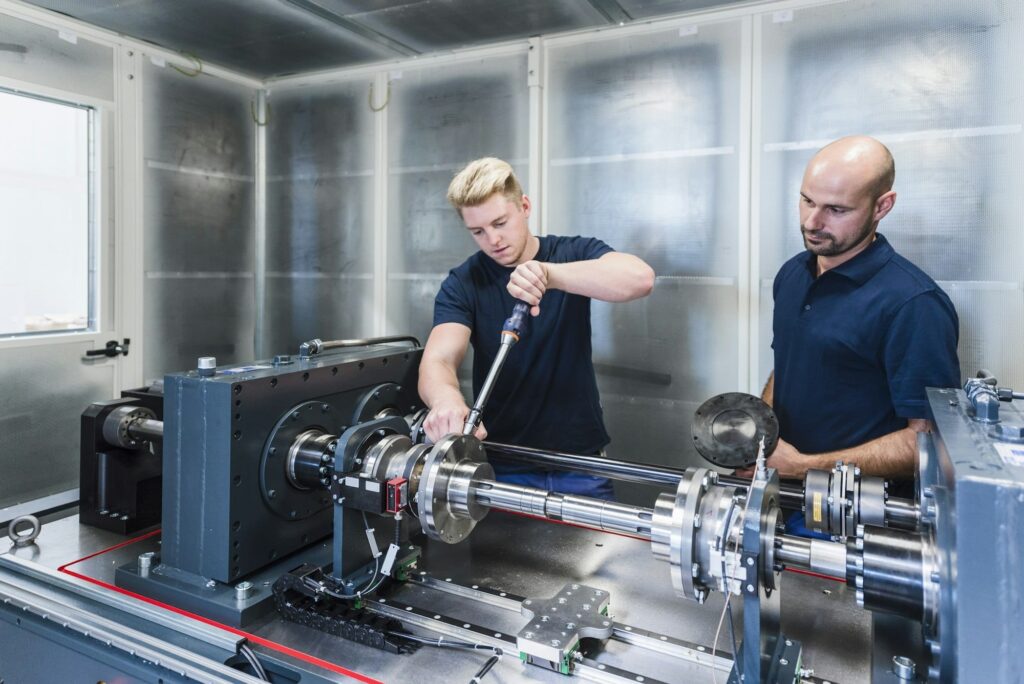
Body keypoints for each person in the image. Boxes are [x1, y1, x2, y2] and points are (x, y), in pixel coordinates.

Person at [417, 157, 655, 499]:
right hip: (500, 465)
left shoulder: (572, 252)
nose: (493, 239)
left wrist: (550, 274)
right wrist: (446, 401)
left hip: (580, 462)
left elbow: (640, 279)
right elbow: (439, 359)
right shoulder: (464, 282)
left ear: (524, 206)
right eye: (478, 232)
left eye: (501, 222)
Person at [744, 136, 960, 498]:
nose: (813, 222)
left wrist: (801, 466)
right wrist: (764, 442)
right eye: (807, 200)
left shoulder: (914, 303)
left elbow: (929, 441)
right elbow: (790, 364)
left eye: (837, 210)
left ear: (882, 206)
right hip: (784, 495)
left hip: (861, 515)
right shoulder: (793, 274)